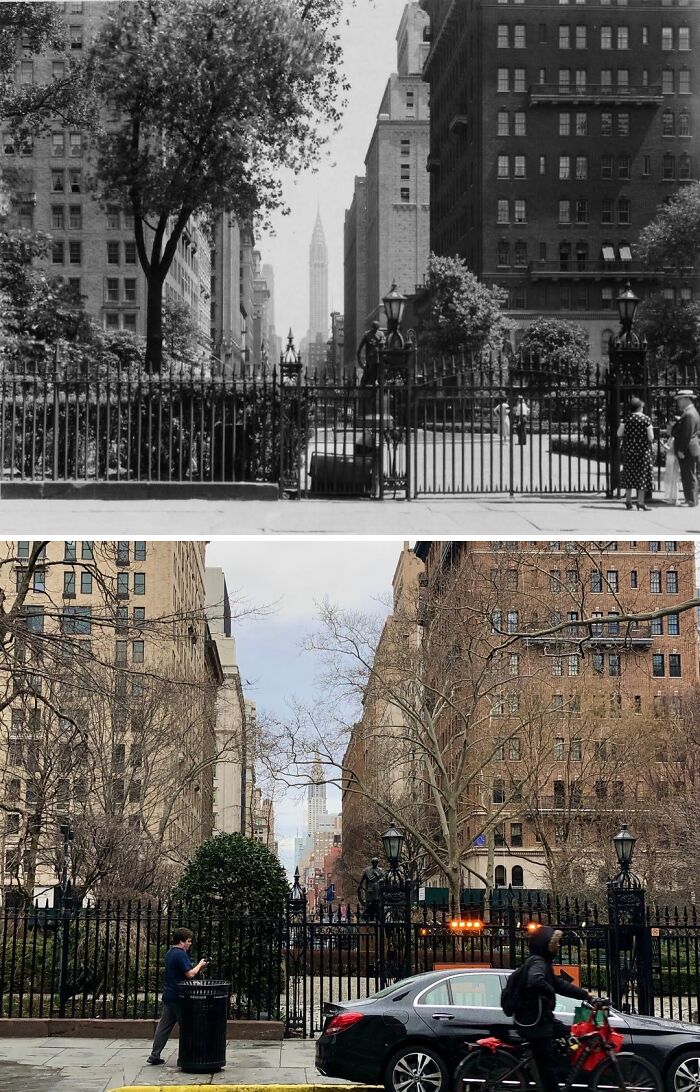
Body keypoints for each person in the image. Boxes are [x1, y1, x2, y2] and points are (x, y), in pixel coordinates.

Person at [511, 925, 592, 1092]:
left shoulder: (543, 962)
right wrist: (548, 992)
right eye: (556, 943)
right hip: (535, 1023)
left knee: (566, 1033)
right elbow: (535, 981)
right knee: (546, 1065)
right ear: (547, 944)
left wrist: (585, 995)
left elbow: (560, 985)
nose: (559, 946)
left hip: (540, 1020)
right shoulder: (538, 962)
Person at [147, 927, 208, 1066]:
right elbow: (190, 974)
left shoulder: (170, 953)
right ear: (181, 941)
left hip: (169, 994)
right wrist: (200, 964)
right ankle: (191, 1054)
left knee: (164, 1026)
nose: (190, 944)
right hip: (179, 997)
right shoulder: (180, 954)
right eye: (188, 941)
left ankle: (154, 1055)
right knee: (189, 1026)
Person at [617, 396, 654, 511]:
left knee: (629, 474)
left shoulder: (626, 419)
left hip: (630, 450)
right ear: (640, 407)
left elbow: (619, 434)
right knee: (642, 475)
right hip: (643, 450)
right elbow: (651, 437)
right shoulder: (646, 419)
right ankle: (640, 502)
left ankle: (628, 501)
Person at [672, 390, 700, 507]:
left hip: (687, 449)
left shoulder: (689, 414)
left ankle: (691, 500)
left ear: (686, 399)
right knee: (689, 474)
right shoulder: (691, 412)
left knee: (689, 475)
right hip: (691, 448)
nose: (678, 402)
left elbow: (686, 434)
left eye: (679, 399)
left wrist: (681, 450)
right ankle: (691, 499)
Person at [356, 321, 385, 386]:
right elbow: (360, 348)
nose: (375, 329)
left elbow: (384, 344)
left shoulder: (381, 334)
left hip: (380, 358)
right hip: (370, 358)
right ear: (372, 327)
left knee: (379, 372)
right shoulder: (367, 335)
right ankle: (370, 383)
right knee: (370, 373)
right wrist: (360, 363)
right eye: (374, 328)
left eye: (376, 328)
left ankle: (378, 381)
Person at [357, 857, 385, 922]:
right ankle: (369, 917)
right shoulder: (367, 870)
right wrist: (359, 888)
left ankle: (377, 918)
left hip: (378, 890)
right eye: (373, 863)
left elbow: (384, 877)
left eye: (376, 863)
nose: (375, 864)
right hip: (370, 890)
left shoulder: (380, 870)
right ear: (372, 863)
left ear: (377, 863)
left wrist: (379, 878)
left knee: (377, 904)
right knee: (370, 904)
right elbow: (362, 879)